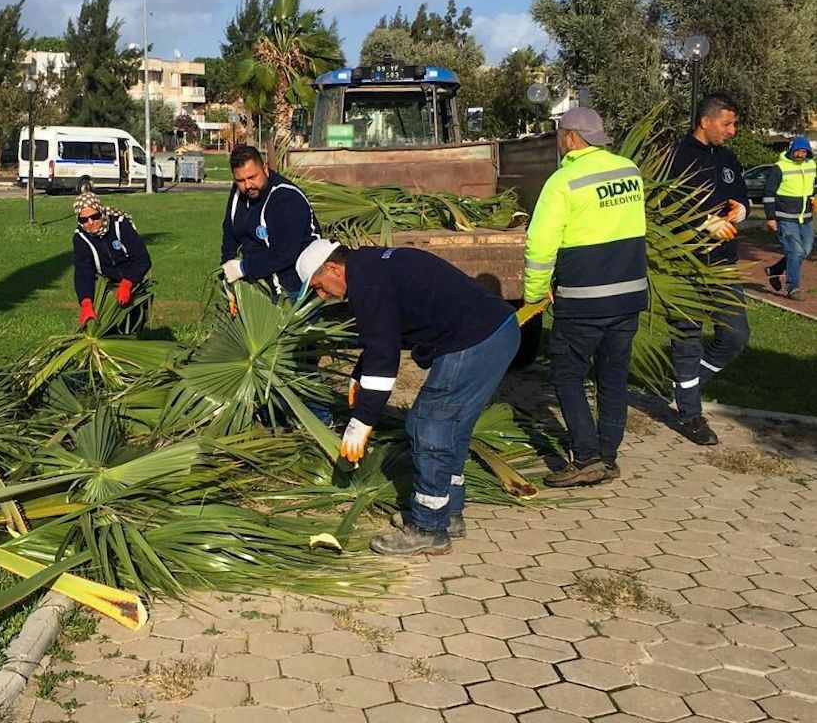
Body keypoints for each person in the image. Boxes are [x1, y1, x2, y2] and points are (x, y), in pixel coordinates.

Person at [296, 238, 519, 557]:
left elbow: (385, 357)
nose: (322, 295)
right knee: (449, 428)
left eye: (319, 286)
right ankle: (447, 514)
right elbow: (385, 333)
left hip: (476, 341)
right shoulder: (370, 267)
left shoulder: (367, 284)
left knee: (429, 426)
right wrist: (360, 374)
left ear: (333, 268)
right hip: (495, 331)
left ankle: (429, 529)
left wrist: (361, 421)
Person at [523, 108, 647, 488]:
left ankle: (588, 457)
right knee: (612, 378)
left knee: (568, 374)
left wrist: (533, 294)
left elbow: (540, 245)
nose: (560, 141)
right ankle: (608, 458)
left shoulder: (563, 181)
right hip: (628, 296)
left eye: (561, 134)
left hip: (583, 300)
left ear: (573, 137)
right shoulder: (629, 172)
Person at [666, 94, 750, 447]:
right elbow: (663, 207)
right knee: (686, 340)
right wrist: (703, 223)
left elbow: (741, 196)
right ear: (705, 121)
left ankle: (688, 386)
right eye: (726, 124)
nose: (732, 131)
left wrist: (741, 211)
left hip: (724, 266)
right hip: (686, 265)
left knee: (735, 335)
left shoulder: (728, 158)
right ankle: (690, 414)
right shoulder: (675, 158)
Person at [220, 145, 319, 299]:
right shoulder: (239, 192)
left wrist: (242, 268)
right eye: (240, 180)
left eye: (252, 177)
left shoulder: (286, 198)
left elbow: (285, 254)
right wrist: (227, 274)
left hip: (295, 287)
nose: (247, 185)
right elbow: (230, 233)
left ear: (265, 169)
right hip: (260, 281)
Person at [72, 192, 152, 333]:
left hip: (132, 281)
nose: (90, 222)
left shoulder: (121, 225)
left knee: (132, 326)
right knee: (105, 328)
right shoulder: (80, 238)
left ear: (101, 212)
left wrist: (128, 283)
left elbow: (142, 259)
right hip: (106, 285)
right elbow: (83, 271)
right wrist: (85, 303)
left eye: (94, 216)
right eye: (84, 219)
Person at [762, 136, 815, 300]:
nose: (800, 155)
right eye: (798, 151)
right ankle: (793, 288)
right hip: (785, 218)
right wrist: (771, 217)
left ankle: (775, 270)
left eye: (804, 152)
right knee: (796, 251)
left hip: (805, 218)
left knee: (804, 251)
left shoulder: (812, 165)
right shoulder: (780, 167)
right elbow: (769, 194)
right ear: (791, 151)